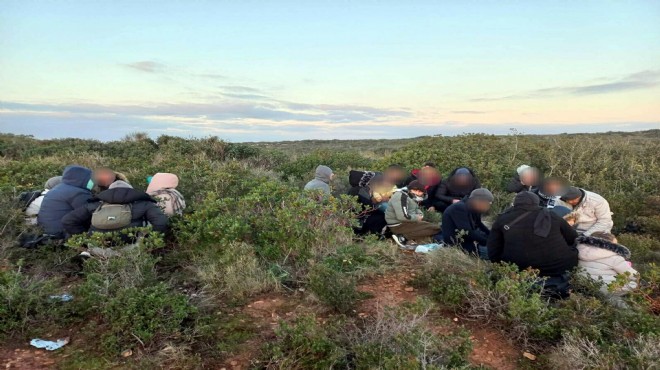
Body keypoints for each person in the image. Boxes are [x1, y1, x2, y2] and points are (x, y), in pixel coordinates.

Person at [488, 192, 578, 297]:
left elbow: (493, 249)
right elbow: (573, 237)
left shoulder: (502, 219)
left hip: (520, 268)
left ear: (515, 203)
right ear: (537, 202)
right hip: (559, 268)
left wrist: (500, 266)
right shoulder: (551, 215)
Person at [62, 180, 169, 235]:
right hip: (133, 248)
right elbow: (161, 222)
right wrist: (150, 240)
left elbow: (68, 221)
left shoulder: (94, 204)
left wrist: (85, 238)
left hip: (97, 246)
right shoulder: (144, 204)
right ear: (131, 191)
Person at [38, 166, 94, 237]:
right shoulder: (78, 193)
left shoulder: (57, 188)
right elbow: (91, 215)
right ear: (83, 179)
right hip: (62, 234)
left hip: (46, 233)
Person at [385, 180, 441, 247]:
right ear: (416, 190)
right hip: (398, 225)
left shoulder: (410, 196)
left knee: (433, 228)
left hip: (407, 222)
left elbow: (416, 209)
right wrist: (417, 218)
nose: (422, 195)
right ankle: (403, 237)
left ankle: (409, 239)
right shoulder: (401, 197)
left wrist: (420, 214)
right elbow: (402, 216)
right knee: (435, 228)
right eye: (422, 192)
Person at [441, 188, 493, 259]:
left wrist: (492, 236)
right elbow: (467, 232)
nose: (488, 206)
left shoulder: (473, 208)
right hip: (458, 246)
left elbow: (479, 224)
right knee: (498, 254)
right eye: (487, 203)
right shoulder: (459, 208)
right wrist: (488, 242)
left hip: (470, 242)